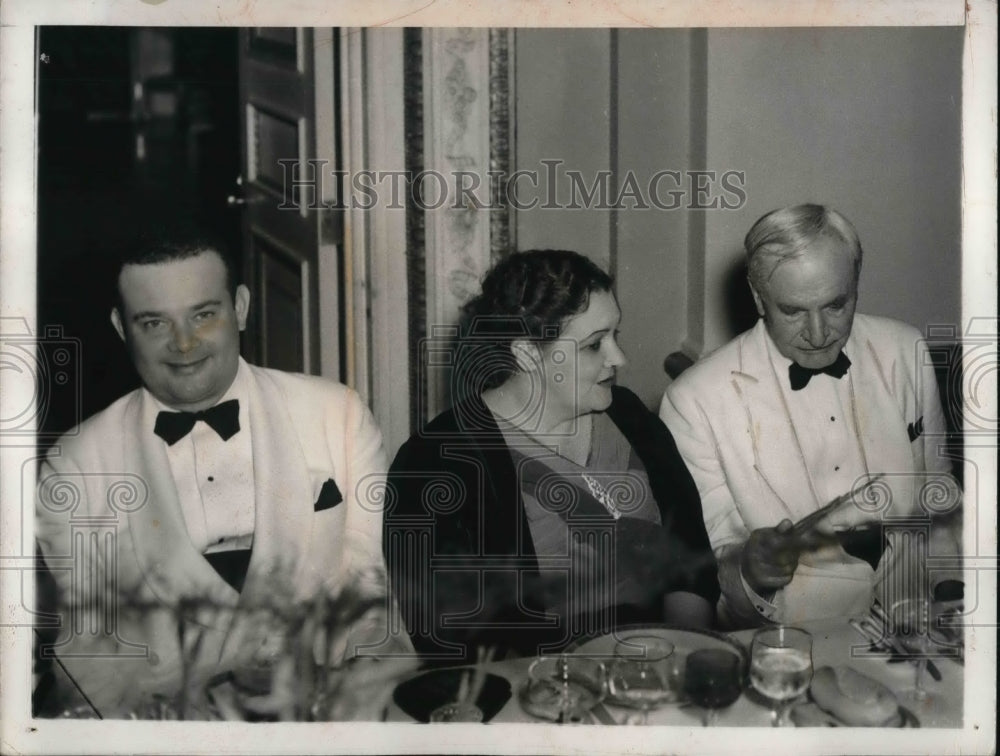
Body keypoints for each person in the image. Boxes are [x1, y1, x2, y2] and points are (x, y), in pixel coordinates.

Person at [34, 232, 407, 717]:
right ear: (121, 329)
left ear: (242, 308)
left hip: (331, 699)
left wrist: (331, 699)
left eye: (203, 315)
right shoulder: (75, 463)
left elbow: (365, 586)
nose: (184, 344)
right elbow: (91, 646)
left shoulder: (338, 412)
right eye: (154, 323)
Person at [384, 250, 720, 664]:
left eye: (616, 335)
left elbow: (692, 565)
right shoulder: (434, 464)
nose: (619, 359)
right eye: (595, 345)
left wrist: (680, 658)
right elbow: (453, 648)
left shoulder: (629, 416)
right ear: (526, 354)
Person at [659, 204, 962, 629]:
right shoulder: (693, 401)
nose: (819, 334)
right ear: (757, 297)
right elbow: (713, 568)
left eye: (836, 305)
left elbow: (939, 488)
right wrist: (751, 573)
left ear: (855, 285)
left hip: (915, 619)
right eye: (793, 311)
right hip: (792, 637)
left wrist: (953, 590)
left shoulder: (905, 351)